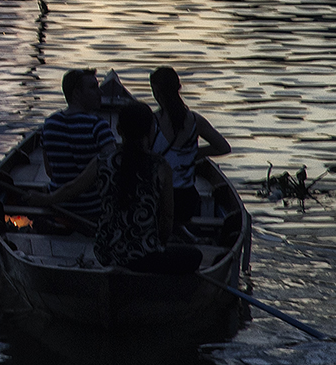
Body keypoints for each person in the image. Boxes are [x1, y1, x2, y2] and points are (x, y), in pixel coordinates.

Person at [29, 100, 200, 274]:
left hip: (106, 252)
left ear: (118, 130)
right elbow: (167, 217)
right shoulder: (161, 166)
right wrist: (160, 244)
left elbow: (72, 188)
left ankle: (119, 271)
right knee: (195, 256)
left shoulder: (102, 161)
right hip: (146, 255)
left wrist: (45, 199)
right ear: (151, 130)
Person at [151, 66, 231, 227]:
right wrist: (195, 153)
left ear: (157, 91)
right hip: (186, 200)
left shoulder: (152, 122)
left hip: (158, 199)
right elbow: (223, 147)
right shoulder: (195, 121)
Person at [41, 68, 114, 225]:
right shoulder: (98, 126)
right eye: (93, 88)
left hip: (58, 207)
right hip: (93, 212)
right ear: (76, 93)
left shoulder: (50, 124)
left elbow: (50, 171)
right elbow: (111, 173)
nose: (100, 92)